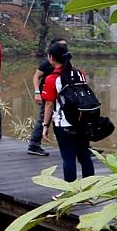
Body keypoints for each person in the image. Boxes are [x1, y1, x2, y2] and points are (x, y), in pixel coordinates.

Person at [42, 42, 96, 181]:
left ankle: (70, 190)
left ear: (51, 57)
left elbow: (49, 104)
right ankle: (90, 188)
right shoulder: (80, 74)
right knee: (84, 156)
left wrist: (45, 125)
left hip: (64, 124)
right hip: (83, 120)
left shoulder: (52, 79)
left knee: (68, 158)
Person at [29, 38, 68, 157]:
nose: (64, 48)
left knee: (71, 117)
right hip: (48, 94)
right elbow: (36, 77)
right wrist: (37, 93)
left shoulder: (66, 63)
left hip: (61, 95)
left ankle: (83, 147)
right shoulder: (47, 63)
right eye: (61, 45)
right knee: (44, 118)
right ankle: (34, 145)